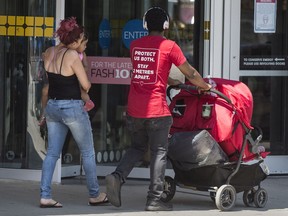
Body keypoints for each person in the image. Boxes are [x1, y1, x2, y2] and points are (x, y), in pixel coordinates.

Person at [105, 7, 211, 211]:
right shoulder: (169, 46)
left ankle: (117, 176)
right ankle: (154, 199)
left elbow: (149, 71)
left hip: (134, 109)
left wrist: (169, 81)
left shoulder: (135, 45)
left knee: (137, 147)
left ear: (145, 25)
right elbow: (190, 72)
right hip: (157, 110)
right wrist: (204, 86)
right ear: (166, 26)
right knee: (159, 152)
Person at [39, 17, 107, 208]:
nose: (83, 43)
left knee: (52, 153)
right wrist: (83, 65)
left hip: (53, 106)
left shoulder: (49, 52)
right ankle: (95, 194)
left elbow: (49, 84)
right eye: (81, 40)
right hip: (72, 108)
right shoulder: (70, 56)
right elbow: (86, 84)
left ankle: (45, 195)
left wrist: (43, 113)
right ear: (74, 40)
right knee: (87, 152)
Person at [38, 30, 94, 126]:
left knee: (82, 91)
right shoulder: (68, 54)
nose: (85, 47)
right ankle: (44, 111)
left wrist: (79, 71)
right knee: (45, 90)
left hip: (67, 90)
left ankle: (88, 103)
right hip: (64, 96)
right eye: (83, 44)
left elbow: (85, 70)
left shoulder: (73, 54)